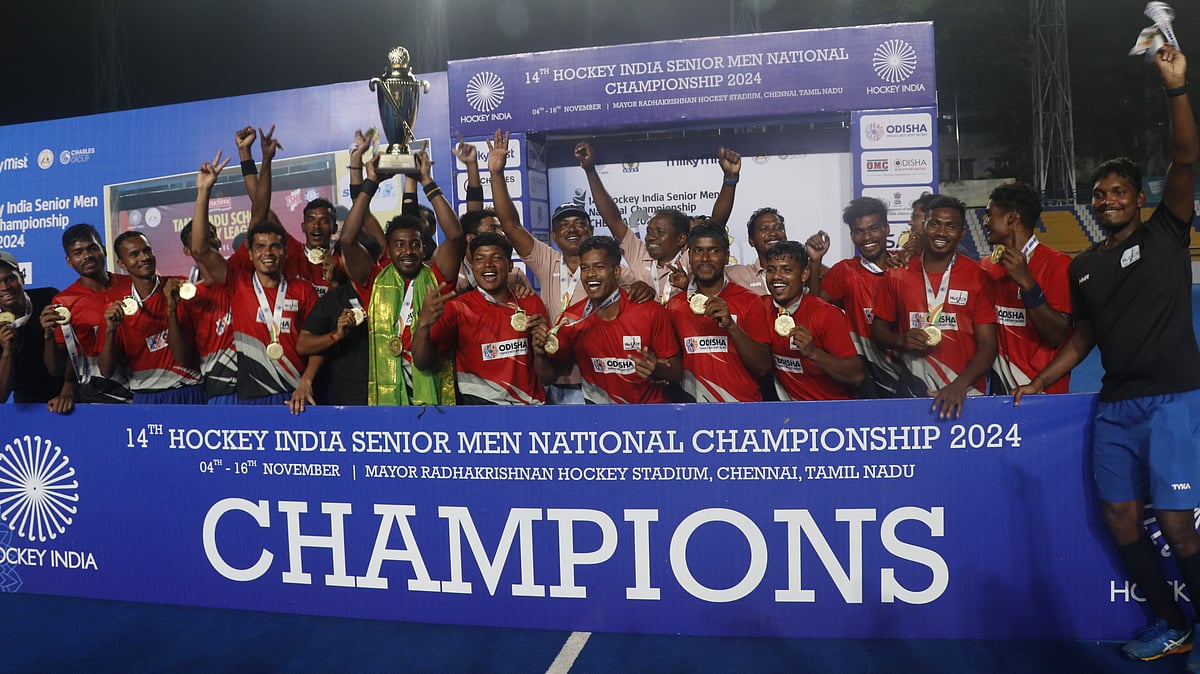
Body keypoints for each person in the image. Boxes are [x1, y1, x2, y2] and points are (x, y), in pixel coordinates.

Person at [1014, 45, 1200, 667]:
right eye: (1099, 193)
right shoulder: (1085, 266)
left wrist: (1176, 88)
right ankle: (1172, 624)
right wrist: (1040, 380)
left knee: (1176, 525)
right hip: (1116, 406)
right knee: (1121, 518)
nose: (1107, 199)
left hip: (1174, 400)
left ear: (1138, 198)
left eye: (1118, 190)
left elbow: (1185, 157)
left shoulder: (1167, 233)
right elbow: (1082, 337)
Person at [189, 151, 320, 413]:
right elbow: (200, 249)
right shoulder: (238, 283)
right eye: (260, 247)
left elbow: (318, 342)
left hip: (296, 395)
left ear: (285, 251)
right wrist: (203, 192)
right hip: (251, 399)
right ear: (249, 254)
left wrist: (307, 380)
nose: (267, 253)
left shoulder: (303, 289)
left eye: (274, 247)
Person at [340, 147, 464, 407]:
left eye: (415, 244)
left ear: (423, 248)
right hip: (389, 402)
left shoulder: (437, 277)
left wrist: (426, 181)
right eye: (399, 245)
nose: (408, 251)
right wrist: (371, 182)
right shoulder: (374, 279)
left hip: (434, 396)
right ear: (388, 248)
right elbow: (348, 240)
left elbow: (455, 236)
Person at [870, 195, 997, 418]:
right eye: (934, 224)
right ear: (924, 226)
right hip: (914, 388)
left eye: (951, 226)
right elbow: (878, 331)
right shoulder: (898, 273)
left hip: (966, 392)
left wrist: (959, 385)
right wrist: (901, 340)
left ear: (962, 233)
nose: (941, 232)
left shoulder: (978, 276)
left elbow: (988, 344)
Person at [581, 142, 740, 305]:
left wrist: (730, 180)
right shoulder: (639, 254)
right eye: (649, 231)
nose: (650, 237)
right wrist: (590, 170)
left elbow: (716, 224)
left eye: (660, 232)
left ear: (681, 239)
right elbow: (613, 220)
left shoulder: (690, 258)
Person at [531, 236, 681, 404]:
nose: (590, 274)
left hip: (650, 415)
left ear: (616, 272)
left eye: (599, 267)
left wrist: (656, 369)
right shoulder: (572, 320)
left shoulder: (650, 312)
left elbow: (676, 372)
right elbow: (548, 378)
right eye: (584, 268)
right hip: (599, 417)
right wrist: (540, 355)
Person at [412, 232, 548, 405]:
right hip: (479, 411)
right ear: (473, 265)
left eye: (496, 257)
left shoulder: (530, 303)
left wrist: (541, 352)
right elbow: (422, 363)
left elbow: (548, 377)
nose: (488, 264)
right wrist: (423, 324)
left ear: (510, 265)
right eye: (479, 259)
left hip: (529, 410)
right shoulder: (458, 308)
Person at [980, 181, 1072, 394]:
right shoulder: (986, 267)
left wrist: (1027, 283)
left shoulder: (1058, 264)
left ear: (1011, 217)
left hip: (1043, 393)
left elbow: (1057, 335)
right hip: (1001, 393)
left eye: (989, 215)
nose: (985, 222)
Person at [807, 196, 905, 397]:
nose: (867, 237)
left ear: (887, 229)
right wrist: (815, 262)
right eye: (859, 231)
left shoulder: (907, 263)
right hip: (870, 376)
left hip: (911, 371)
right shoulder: (845, 271)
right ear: (852, 235)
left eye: (873, 228)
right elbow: (815, 309)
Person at [666, 222, 773, 402]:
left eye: (714, 251)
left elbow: (763, 367)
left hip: (742, 409)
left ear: (726, 256)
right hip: (694, 410)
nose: (705, 258)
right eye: (698, 251)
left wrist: (731, 326)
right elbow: (672, 365)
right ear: (689, 256)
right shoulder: (675, 306)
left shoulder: (749, 301)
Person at [98, 232, 203, 404]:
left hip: (188, 389)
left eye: (147, 250)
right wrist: (110, 330)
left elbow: (183, 359)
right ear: (122, 264)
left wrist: (171, 310)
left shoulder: (179, 288)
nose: (144, 257)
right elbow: (106, 371)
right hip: (146, 396)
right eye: (134, 254)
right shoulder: (117, 307)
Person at [234, 125, 335, 296]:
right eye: (311, 220)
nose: (316, 226)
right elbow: (261, 207)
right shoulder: (291, 249)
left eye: (324, 221)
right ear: (303, 226)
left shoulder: (342, 259)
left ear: (334, 228)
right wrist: (245, 154)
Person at [761, 241, 862, 401]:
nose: (777, 276)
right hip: (790, 412)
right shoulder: (761, 308)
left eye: (787, 270)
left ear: (804, 274)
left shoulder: (827, 315)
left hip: (834, 410)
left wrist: (813, 353)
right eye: (771, 270)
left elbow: (856, 375)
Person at [47, 223, 133, 408]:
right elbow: (68, 358)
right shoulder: (64, 301)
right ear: (69, 261)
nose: (87, 255)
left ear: (104, 250)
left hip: (145, 387)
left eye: (92, 248)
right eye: (78, 252)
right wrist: (67, 390)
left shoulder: (132, 284)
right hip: (100, 394)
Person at [296, 235, 380, 406]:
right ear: (340, 260)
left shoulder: (392, 295)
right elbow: (303, 345)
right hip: (349, 394)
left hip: (391, 388)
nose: (354, 262)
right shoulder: (333, 300)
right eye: (347, 256)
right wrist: (336, 335)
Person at [177, 221, 238, 404]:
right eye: (197, 239)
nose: (204, 242)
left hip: (261, 385)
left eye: (210, 236)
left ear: (219, 241)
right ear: (188, 250)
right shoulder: (187, 299)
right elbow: (184, 356)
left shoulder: (241, 277)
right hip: (221, 389)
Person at [0, 251, 61, 405]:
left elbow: (57, 371)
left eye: (10, 278)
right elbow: (1, 397)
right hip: (25, 405)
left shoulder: (48, 298)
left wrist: (49, 336)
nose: (4, 287)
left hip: (64, 398)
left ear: (22, 277)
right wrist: (7, 352)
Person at [726, 207, 788, 296]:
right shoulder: (735, 274)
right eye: (764, 229)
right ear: (751, 240)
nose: (773, 233)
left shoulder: (800, 270)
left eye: (778, 228)